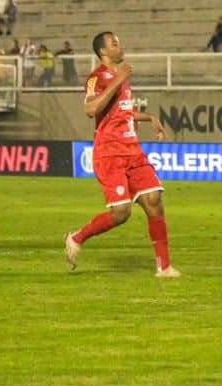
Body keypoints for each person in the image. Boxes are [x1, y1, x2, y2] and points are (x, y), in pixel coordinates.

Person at [63, 32, 180, 277]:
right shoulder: (96, 78)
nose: (120, 46)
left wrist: (149, 117)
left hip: (132, 150)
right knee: (121, 213)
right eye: (115, 43)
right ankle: (76, 237)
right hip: (109, 153)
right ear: (104, 52)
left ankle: (164, 267)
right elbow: (91, 108)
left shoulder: (121, 79)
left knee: (154, 200)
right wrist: (118, 80)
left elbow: (122, 112)